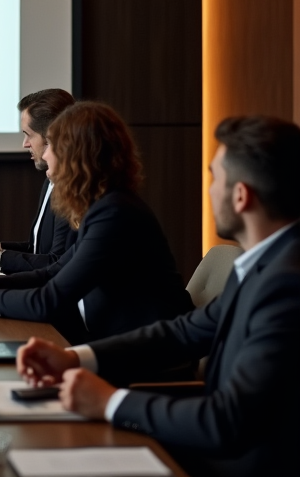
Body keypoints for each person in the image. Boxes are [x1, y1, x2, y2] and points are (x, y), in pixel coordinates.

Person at [15, 116, 300, 476]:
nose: (209, 189)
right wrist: (73, 359)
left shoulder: (285, 283)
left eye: (214, 177)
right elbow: (180, 333)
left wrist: (110, 402)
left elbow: (228, 421)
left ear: (241, 196)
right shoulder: (265, 264)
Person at [0, 101, 193, 344]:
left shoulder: (115, 214)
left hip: (140, 358)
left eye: (51, 146)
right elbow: (53, 272)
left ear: (74, 156)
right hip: (106, 340)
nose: (44, 155)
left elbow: (49, 300)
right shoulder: (105, 207)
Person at [0, 88, 76, 273]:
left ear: (53, 139)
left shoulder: (75, 191)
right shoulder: (50, 182)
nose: (25, 144)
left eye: (28, 134)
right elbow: (35, 251)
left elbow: (55, 265)